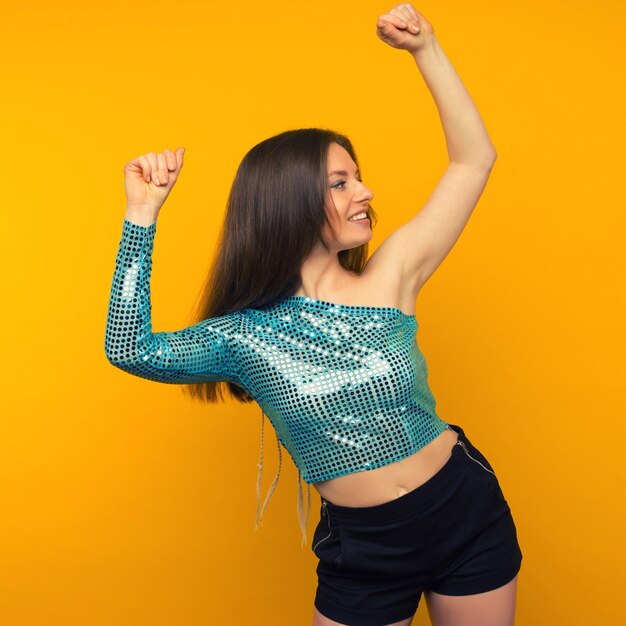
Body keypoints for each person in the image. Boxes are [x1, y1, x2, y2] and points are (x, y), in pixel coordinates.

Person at [104, 4, 522, 625]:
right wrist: (141, 216)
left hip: (465, 509)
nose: (365, 193)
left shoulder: (392, 276)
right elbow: (128, 348)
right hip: (367, 548)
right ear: (290, 200)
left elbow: (473, 160)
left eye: (358, 177)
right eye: (340, 183)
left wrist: (425, 50)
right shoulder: (242, 335)